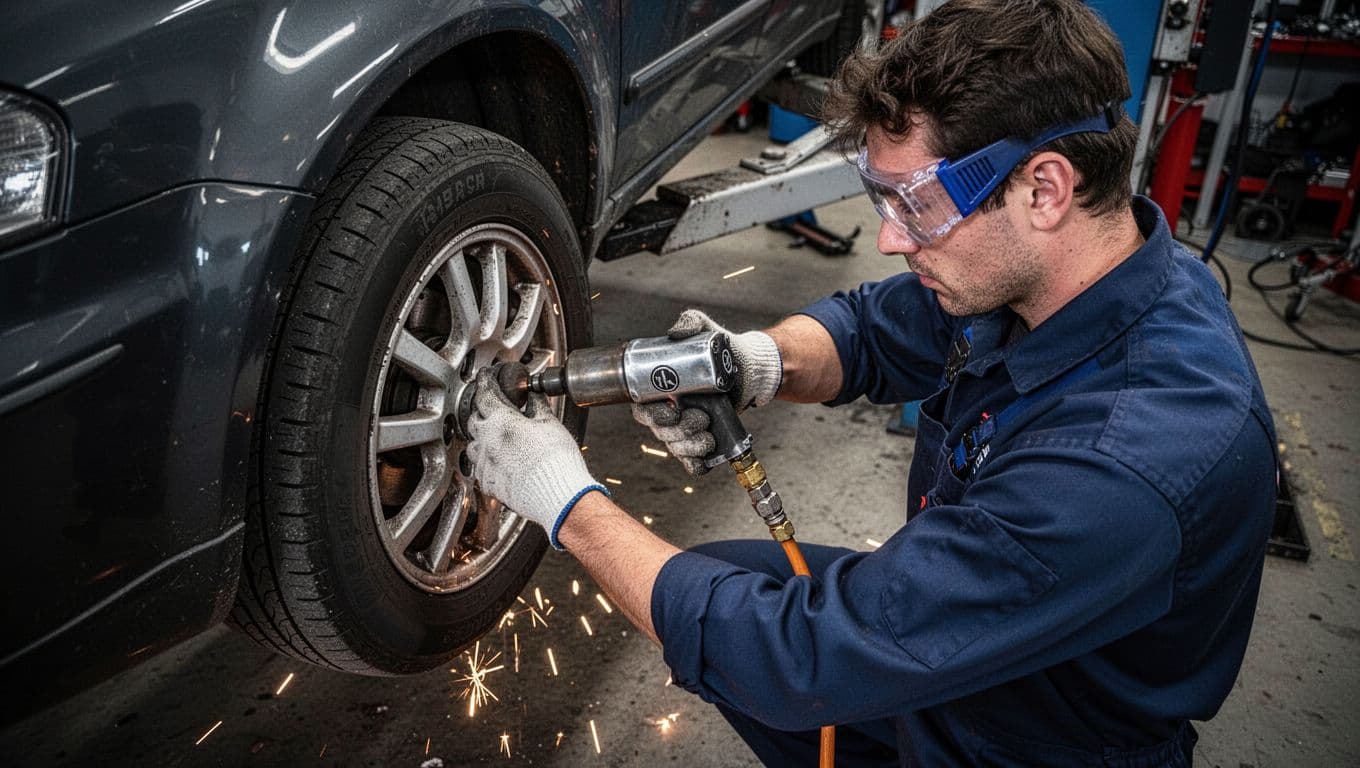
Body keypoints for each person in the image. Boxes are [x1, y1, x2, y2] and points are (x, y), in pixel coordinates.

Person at [466, 1, 1278, 764]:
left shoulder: (1122, 459)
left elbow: (799, 659)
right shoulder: (1062, 272)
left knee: (767, 646)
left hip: (1038, 741)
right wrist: (758, 361)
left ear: (1045, 189)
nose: (888, 238)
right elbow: (871, 330)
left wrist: (565, 502)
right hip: (990, 662)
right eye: (880, 197)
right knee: (739, 580)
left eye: (915, 204)